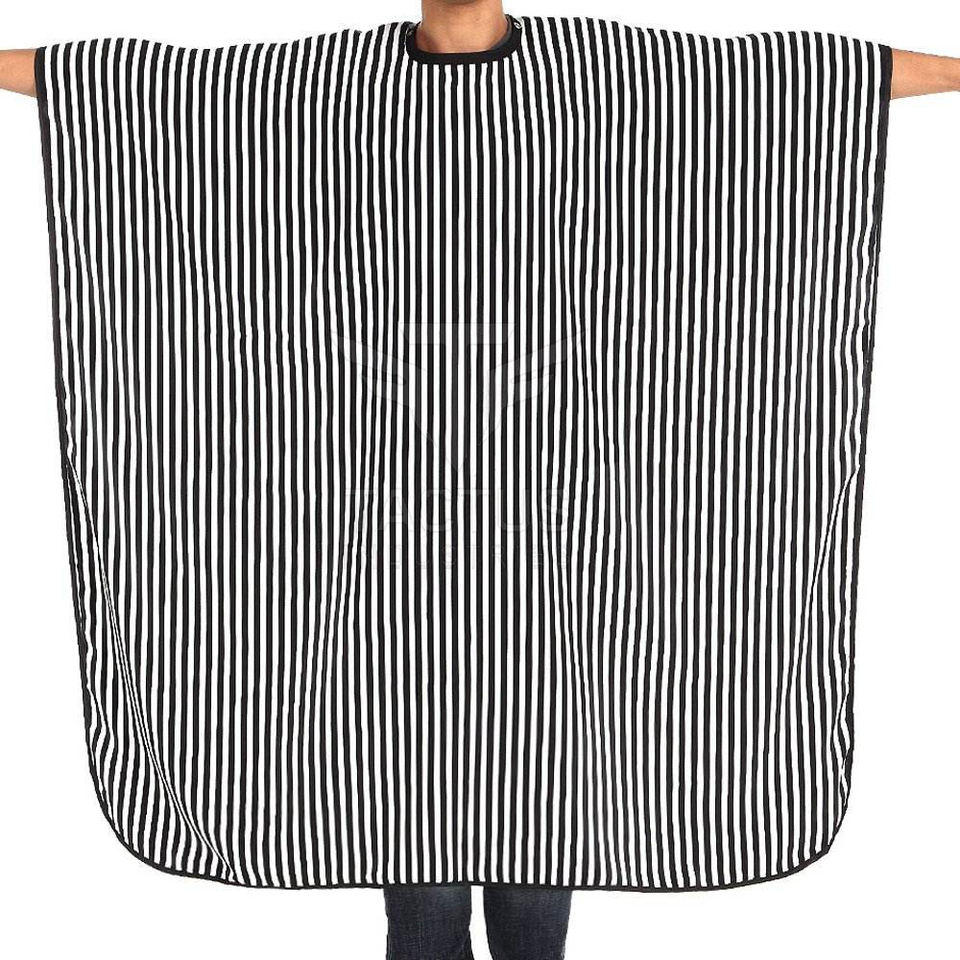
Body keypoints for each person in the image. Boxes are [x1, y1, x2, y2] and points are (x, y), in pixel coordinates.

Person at [1, 2, 959, 959]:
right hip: (386, 578)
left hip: (562, 565)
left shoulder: (612, 78)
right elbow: (144, 90)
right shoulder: (321, 89)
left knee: (540, 854)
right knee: (417, 880)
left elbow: (791, 81)